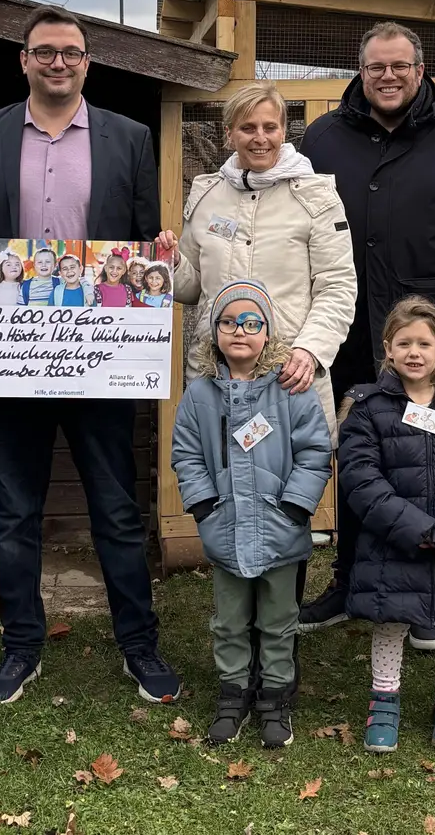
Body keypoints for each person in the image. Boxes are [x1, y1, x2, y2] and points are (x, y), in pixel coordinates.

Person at [0, 4, 181, 705]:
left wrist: (157, 251)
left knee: (116, 510)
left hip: (98, 356)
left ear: (87, 62)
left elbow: (138, 237)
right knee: (15, 513)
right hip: (14, 356)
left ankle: (140, 645)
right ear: (24, 59)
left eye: (70, 52)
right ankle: (20, 646)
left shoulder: (128, 136)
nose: (59, 62)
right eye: (45, 51)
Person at [296, 21, 435, 653]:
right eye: (375, 67)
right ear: (360, 72)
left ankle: (426, 597)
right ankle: (349, 580)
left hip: (428, 339)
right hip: (346, 331)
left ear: (421, 69)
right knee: (360, 457)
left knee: (427, 467)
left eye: (399, 66)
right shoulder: (323, 139)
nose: (387, 77)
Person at [171, 281, 332, 749]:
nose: (239, 331)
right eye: (228, 322)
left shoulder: (290, 390)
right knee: (229, 620)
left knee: (280, 619)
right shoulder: (200, 395)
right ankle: (232, 692)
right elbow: (186, 454)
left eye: (251, 323)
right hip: (225, 525)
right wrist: (204, 506)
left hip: (280, 527)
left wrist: (295, 507)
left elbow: (314, 450)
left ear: (267, 332)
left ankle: (276, 696)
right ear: (214, 332)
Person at [338, 296, 435, 753]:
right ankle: (384, 701)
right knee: (389, 622)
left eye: (424, 343)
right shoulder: (368, 410)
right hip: (392, 545)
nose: (414, 352)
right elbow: (360, 479)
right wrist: (416, 530)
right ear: (387, 349)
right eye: (403, 342)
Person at [157, 81, 357, 434]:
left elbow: (337, 287)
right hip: (215, 374)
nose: (260, 137)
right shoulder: (207, 196)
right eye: (247, 128)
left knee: (294, 482)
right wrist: (172, 264)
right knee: (214, 474)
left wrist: (310, 351)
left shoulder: (316, 198)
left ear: (284, 130)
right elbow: (192, 289)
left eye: (270, 127)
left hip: (289, 375)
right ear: (229, 134)